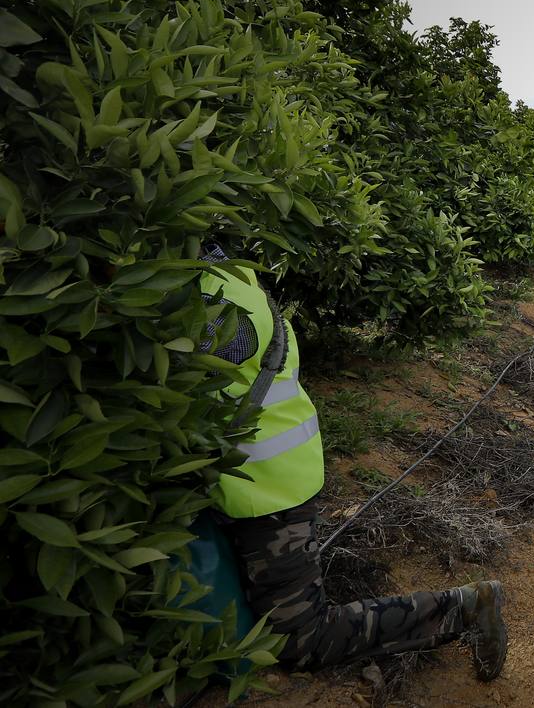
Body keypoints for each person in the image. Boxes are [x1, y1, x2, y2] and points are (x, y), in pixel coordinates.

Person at [197, 247, 508, 679]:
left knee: (300, 638)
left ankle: (463, 607)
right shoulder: (226, 274)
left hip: (269, 485)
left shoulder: (210, 303)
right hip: (256, 474)